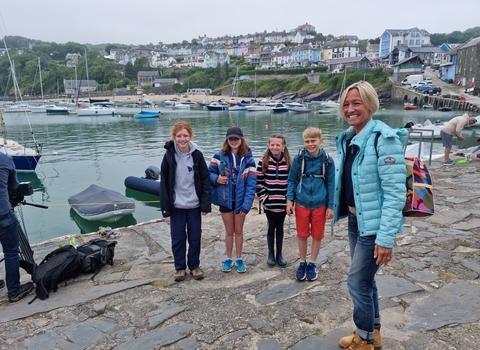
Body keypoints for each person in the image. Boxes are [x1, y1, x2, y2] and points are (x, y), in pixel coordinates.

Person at [333, 81, 408, 350]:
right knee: (366, 280)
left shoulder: (382, 138)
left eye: (356, 103)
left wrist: (386, 238)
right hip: (357, 220)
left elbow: (395, 193)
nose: (350, 109)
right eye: (346, 104)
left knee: (357, 281)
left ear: (370, 104)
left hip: (374, 226)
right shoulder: (350, 138)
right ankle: (372, 332)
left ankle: (363, 340)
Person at [160, 121, 211, 282]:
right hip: (177, 206)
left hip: (194, 206)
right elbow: (164, 183)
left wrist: (205, 204)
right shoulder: (169, 156)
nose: (182, 139)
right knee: (178, 238)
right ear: (174, 137)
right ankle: (180, 268)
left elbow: (205, 180)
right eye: (179, 136)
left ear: (190, 136)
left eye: (185, 135)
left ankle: (194, 266)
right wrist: (166, 207)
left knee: (195, 237)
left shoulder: (197, 155)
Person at [286, 127, 335, 282]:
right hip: (301, 202)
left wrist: (331, 206)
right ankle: (302, 262)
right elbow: (292, 180)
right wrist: (289, 200)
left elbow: (332, 185)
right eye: (307, 141)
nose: (310, 144)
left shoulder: (327, 160)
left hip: (320, 204)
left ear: (321, 141)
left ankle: (312, 263)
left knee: (317, 235)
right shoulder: (298, 159)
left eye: (313, 141)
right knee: (302, 234)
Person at [209, 126, 257, 273]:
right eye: (231, 138)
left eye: (236, 138)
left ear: (241, 139)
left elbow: (251, 184)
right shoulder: (219, 156)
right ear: (227, 140)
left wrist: (247, 205)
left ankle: (239, 258)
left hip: (241, 202)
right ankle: (229, 258)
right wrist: (216, 178)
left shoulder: (249, 159)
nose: (234, 141)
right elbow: (209, 173)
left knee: (239, 231)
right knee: (229, 231)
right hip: (225, 200)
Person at [0, 152, 34, 302]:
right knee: (11, 252)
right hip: (3, 213)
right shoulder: (5, 159)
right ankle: (14, 290)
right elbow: (14, 185)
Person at [256, 134, 292, 267]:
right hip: (269, 203)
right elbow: (259, 183)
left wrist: (289, 200)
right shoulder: (263, 161)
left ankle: (279, 254)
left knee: (280, 227)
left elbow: (292, 183)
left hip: (283, 203)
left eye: (278, 145)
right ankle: (271, 254)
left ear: (283, 146)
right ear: (269, 145)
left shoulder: (289, 162)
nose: (275, 147)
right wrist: (264, 198)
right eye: (272, 144)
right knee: (271, 226)